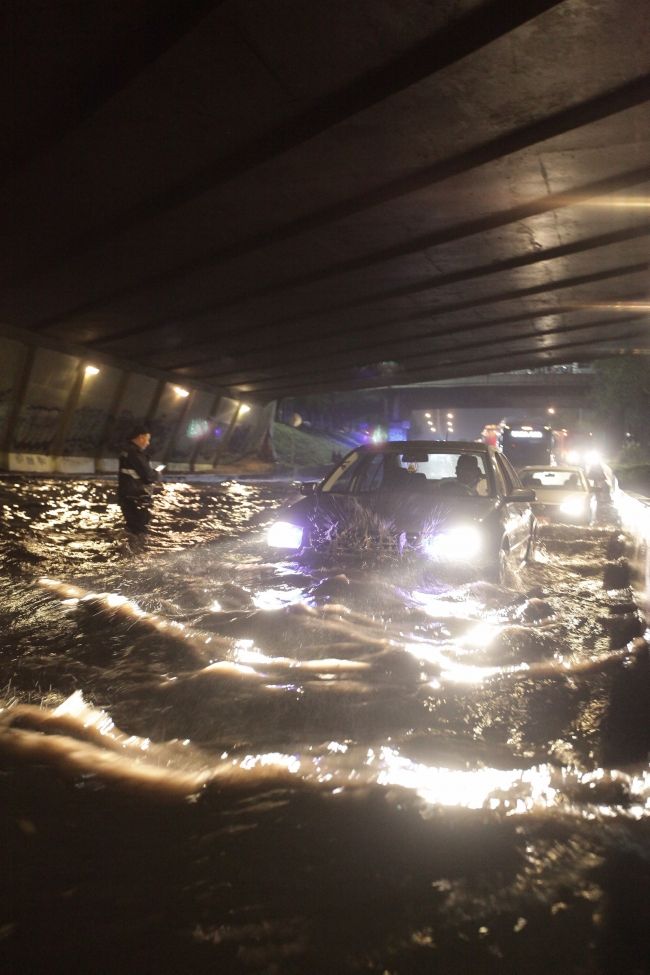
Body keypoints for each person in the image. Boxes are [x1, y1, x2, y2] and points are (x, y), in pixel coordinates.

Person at [117, 425, 161, 534]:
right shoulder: (135, 454)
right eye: (147, 439)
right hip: (136, 496)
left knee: (132, 527)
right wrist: (157, 474)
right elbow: (148, 476)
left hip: (126, 495)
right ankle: (138, 549)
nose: (148, 443)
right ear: (141, 437)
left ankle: (128, 547)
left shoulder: (125, 451)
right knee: (140, 528)